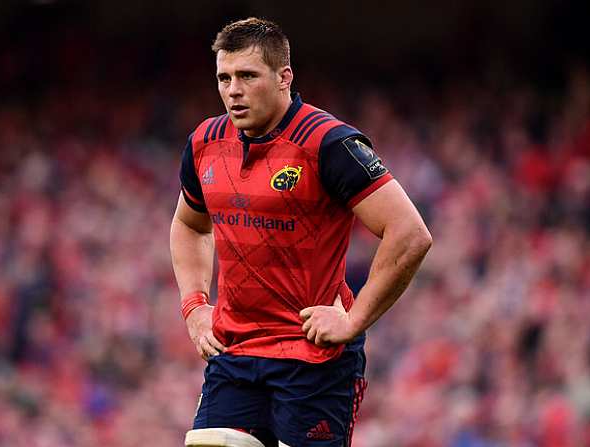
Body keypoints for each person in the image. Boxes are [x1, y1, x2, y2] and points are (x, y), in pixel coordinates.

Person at [170, 17, 432, 447]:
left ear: (283, 77)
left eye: (247, 76)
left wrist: (354, 319)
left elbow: (410, 233)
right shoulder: (206, 142)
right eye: (224, 77)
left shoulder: (328, 143)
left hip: (313, 360)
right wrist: (195, 305)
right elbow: (188, 224)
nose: (233, 89)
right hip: (235, 353)